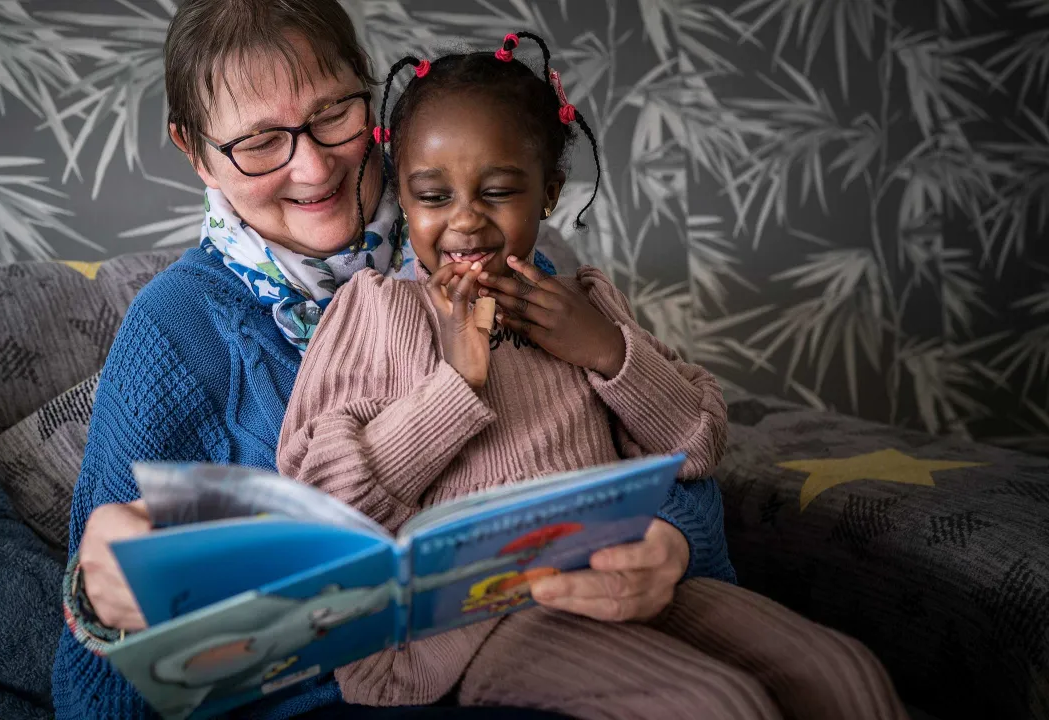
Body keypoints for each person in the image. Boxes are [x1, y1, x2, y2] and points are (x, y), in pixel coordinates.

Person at [50, 2, 894, 719]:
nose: (311, 167)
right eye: (259, 142)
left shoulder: (508, 253)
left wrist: (669, 544)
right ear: (195, 151)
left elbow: (652, 453)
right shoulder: (178, 329)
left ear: (371, 108)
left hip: (580, 608)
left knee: (846, 679)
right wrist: (109, 608)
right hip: (383, 683)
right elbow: (94, 680)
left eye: (332, 117)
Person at [274, 33, 910, 720]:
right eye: (432, 195)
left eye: (497, 190)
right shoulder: (373, 310)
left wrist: (608, 352)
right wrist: (453, 389)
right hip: (466, 625)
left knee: (844, 674)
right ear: (401, 194)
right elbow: (319, 514)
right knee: (716, 705)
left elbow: (695, 444)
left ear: (548, 194)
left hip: (617, 579)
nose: (464, 220)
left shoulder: (585, 305)